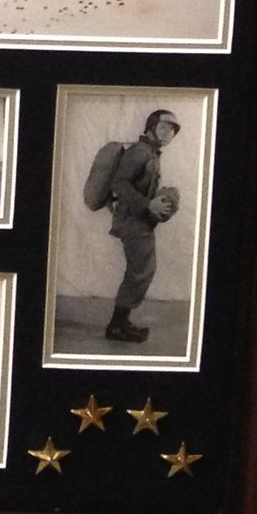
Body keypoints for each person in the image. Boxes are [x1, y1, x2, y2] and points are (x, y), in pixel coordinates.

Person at [103, 108, 182, 344]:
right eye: (163, 127)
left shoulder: (150, 152)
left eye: (172, 129)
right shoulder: (140, 152)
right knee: (140, 272)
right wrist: (148, 205)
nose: (168, 133)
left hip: (139, 221)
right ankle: (116, 326)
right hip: (133, 222)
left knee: (140, 270)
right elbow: (119, 184)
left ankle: (121, 321)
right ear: (151, 128)